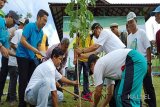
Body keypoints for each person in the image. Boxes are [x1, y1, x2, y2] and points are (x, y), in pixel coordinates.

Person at [75, 23, 125, 107]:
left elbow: (95, 46)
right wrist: (80, 55)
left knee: (121, 92)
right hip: (116, 63)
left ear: (98, 28)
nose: (95, 37)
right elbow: (94, 53)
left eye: (94, 34)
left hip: (121, 59)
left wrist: (82, 50)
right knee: (113, 93)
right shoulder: (103, 42)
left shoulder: (105, 32)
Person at [16, 9, 48, 107]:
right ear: (38, 18)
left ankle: (31, 101)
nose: (45, 23)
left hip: (31, 57)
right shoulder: (29, 26)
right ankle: (22, 103)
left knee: (33, 80)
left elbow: (38, 45)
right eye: (44, 20)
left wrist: (42, 53)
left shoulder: (41, 32)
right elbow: (22, 41)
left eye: (46, 21)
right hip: (22, 55)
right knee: (23, 80)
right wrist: (35, 50)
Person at [127, 11, 156, 107]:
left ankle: (152, 104)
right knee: (136, 87)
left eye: (132, 21)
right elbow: (129, 52)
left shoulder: (142, 33)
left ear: (136, 21)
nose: (130, 24)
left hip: (144, 64)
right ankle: (138, 104)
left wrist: (149, 64)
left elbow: (148, 49)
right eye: (129, 22)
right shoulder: (128, 37)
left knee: (148, 86)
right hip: (135, 66)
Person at [5, 18, 29, 105]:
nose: (20, 25)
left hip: (18, 61)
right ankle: (12, 99)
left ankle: (10, 98)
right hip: (14, 60)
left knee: (15, 80)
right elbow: (12, 44)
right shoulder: (19, 32)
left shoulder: (23, 33)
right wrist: (20, 52)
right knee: (13, 80)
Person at [0, 10, 19, 104]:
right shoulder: (0, 21)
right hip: (4, 57)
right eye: (14, 21)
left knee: (3, 77)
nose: (14, 24)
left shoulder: (7, 31)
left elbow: (7, 49)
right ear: (10, 17)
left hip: (6, 58)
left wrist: (17, 55)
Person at [73, 33, 94, 100]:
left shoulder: (90, 36)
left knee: (86, 77)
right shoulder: (78, 35)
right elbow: (75, 47)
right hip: (79, 59)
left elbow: (92, 48)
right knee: (77, 76)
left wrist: (90, 60)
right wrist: (75, 58)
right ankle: (76, 94)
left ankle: (86, 93)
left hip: (86, 59)